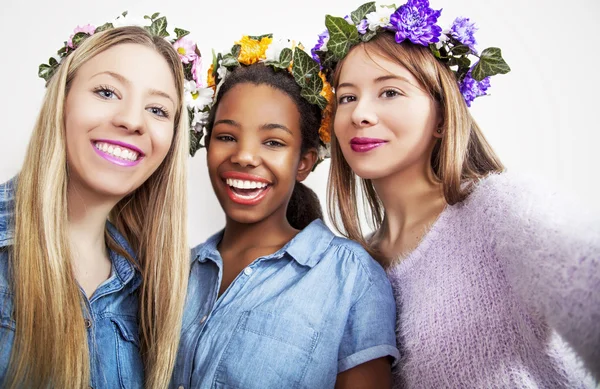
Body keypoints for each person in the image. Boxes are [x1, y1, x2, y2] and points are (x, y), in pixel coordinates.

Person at [314, 1, 600, 387]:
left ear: (443, 116)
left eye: (390, 92)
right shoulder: (354, 267)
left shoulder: (502, 208)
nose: (360, 113)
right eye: (347, 97)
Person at [170, 35, 399, 389]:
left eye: (273, 142)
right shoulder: (175, 272)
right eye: (227, 136)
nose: (244, 156)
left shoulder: (350, 277)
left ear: (304, 162)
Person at [0, 12, 207, 388]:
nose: (132, 120)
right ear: (61, 102)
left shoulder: (151, 289)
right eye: (107, 92)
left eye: (158, 109)